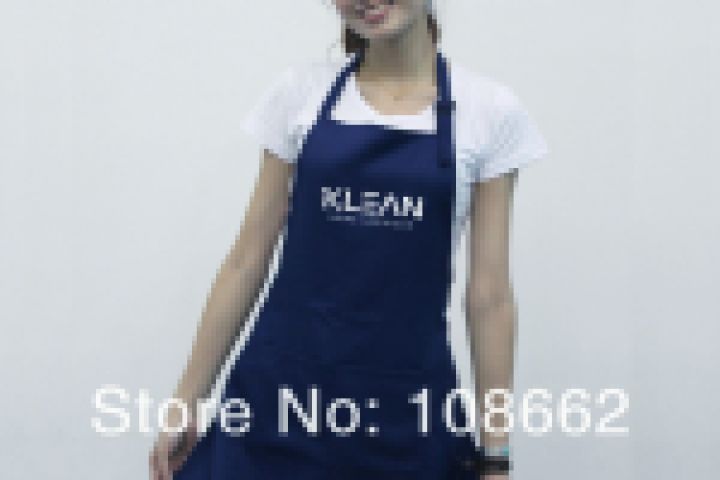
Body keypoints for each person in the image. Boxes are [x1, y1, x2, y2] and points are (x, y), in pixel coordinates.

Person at [149, 0, 549, 478]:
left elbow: (490, 297)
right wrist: (186, 400)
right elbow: (246, 261)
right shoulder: (300, 93)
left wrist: (495, 453)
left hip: (406, 417)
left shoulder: (489, 112)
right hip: (276, 405)